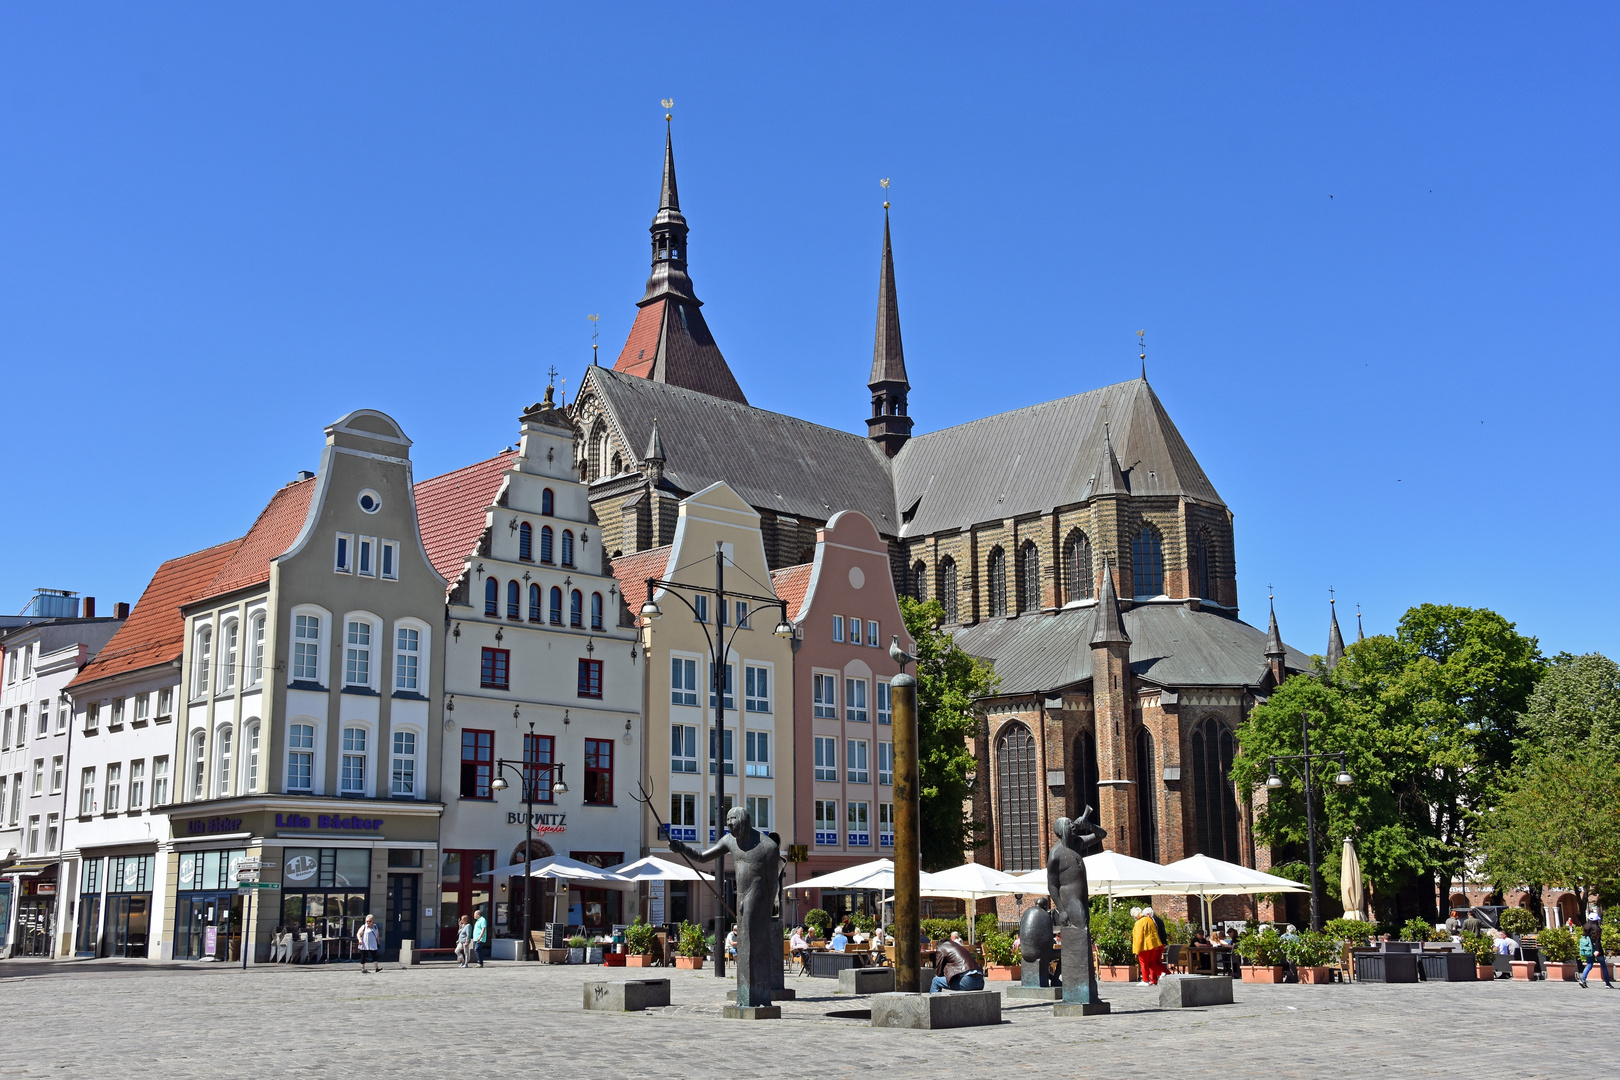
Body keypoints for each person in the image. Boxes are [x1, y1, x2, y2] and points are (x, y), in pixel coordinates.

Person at [1580, 910, 1613, 989]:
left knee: (1589, 965)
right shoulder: (1597, 928)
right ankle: (1607, 983)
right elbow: (1597, 940)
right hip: (1597, 950)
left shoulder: (1586, 927)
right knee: (1603, 965)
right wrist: (1597, 950)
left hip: (1588, 949)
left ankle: (1583, 980)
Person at [1132, 906, 1165, 986]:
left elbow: (1138, 937)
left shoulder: (1139, 923)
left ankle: (1145, 980)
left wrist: (1136, 949)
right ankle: (1160, 973)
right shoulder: (1149, 920)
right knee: (1151, 962)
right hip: (1153, 945)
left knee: (1143, 963)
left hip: (1144, 946)